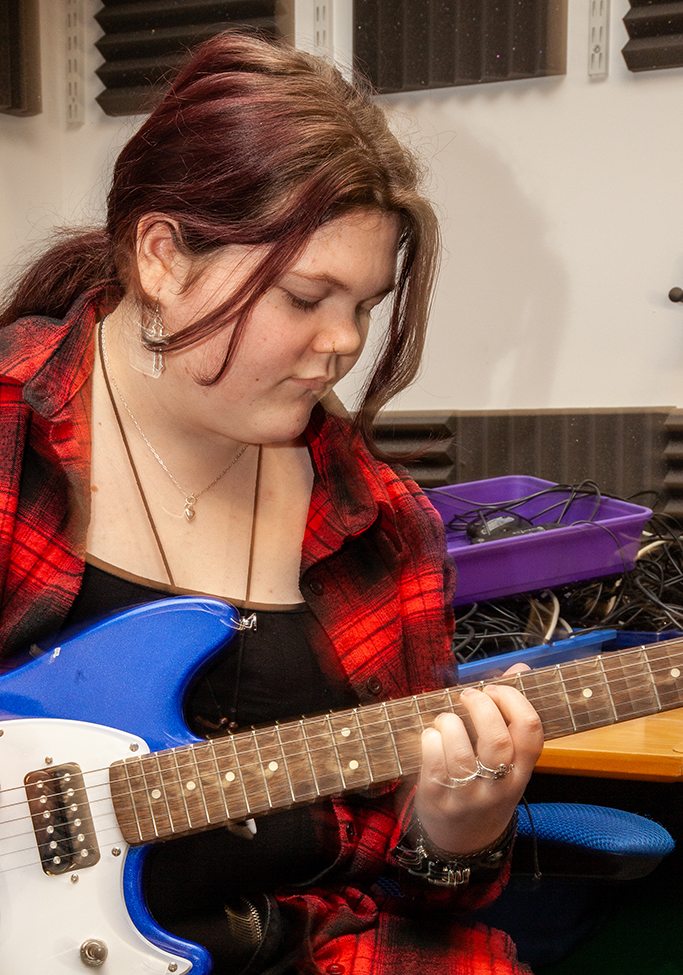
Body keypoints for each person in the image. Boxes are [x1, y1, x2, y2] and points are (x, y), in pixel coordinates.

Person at [0, 29, 544, 975]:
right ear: (163, 257)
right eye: (304, 297)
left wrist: (457, 828)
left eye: (363, 305)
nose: (344, 343)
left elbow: (415, 887)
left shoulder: (378, 523)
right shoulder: (15, 432)